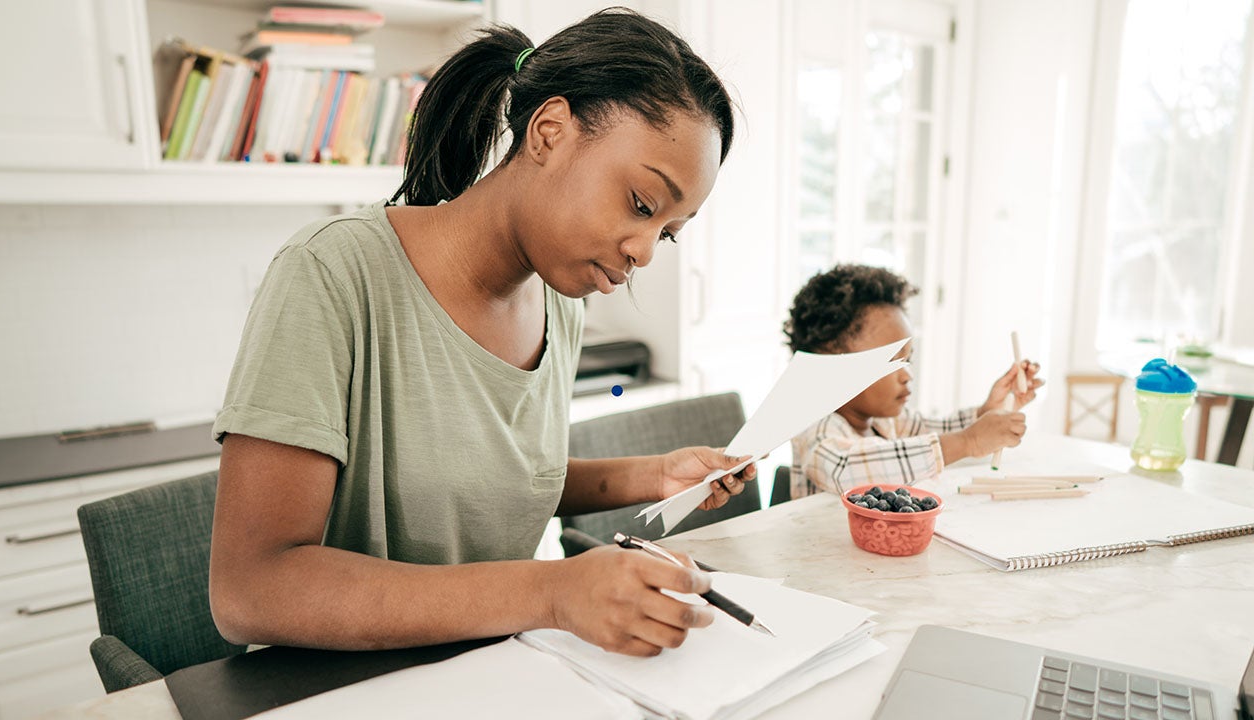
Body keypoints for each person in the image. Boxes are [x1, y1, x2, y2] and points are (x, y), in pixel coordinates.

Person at [208, 9, 751, 658]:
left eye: (667, 231)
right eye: (641, 203)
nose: (645, 251)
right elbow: (249, 589)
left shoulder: (560, 305)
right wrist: (552, 593)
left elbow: (485, 481)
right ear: (550, 132)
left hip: (493, 672)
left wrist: (651, 475)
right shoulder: (332, 273)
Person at [783, 264, 1043, 498]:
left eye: (907, 359)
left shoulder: (886, 421)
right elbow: (846, 469)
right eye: (890, 361)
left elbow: (935, 431)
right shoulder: (814, 428)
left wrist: (989, 411)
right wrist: (968, 442)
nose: (907, 375)